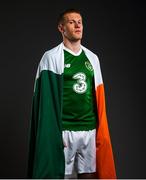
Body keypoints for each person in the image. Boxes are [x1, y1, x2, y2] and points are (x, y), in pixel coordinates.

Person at [27, 8, 116, 179]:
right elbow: (46, 101)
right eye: (71, 22)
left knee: (89, 175)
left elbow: (98, 97)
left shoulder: (92, 58)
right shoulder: (51, 57)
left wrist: (98, 131)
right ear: (61, 28)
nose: (77, 25)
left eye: (80, 22)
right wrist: (53, 133)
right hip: (64, 131)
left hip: (89, 130)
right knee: (62, 175)